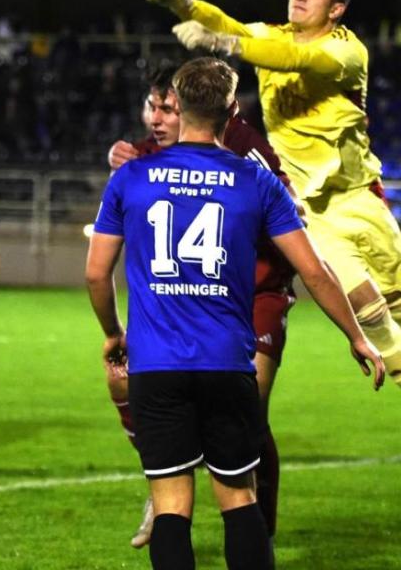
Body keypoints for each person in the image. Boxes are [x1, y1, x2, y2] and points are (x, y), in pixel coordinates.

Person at [146, 0, 401, 449]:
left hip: (360, 195)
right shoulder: (270, 37)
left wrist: (229, 46)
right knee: (366, 304)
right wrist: (182, 2)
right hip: (309, 211)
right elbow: (233, 26)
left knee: (400, 300)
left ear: (336, 7)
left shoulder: (347, 51)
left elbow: (298, 60)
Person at [87, 57, 384, 570]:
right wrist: (357, 338)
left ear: (177, 105)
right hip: (226, 363)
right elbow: (315, 272)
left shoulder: (131, 177)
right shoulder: (256, 181)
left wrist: (114, 333)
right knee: (239, 500)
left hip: (156, 365)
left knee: (171, 508)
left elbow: (96, 274)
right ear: (231, 108)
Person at [105, 64, 297, 548]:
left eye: (166, 106)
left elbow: (95, 270)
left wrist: (112, 328)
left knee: (250, 416)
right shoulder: (146, 160)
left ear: (188, 105)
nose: (156, 117)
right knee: (126, 384)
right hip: (200, 320)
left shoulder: (246, 151)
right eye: (152, 107)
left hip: (255, 294)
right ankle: (172, 474)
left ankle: (245, 514)